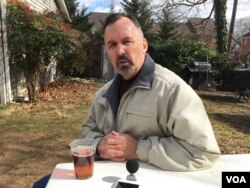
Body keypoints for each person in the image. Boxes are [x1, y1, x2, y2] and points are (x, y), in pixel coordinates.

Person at [81, 13, 221, 171]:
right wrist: (98, 146)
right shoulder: (103, 95)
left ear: (144, 45)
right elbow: (88, 132)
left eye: (127, 41)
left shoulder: (172, 90)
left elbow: (202, 152)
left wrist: (138, 149)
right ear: (107, 52)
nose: (120, 50)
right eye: (112, 45)